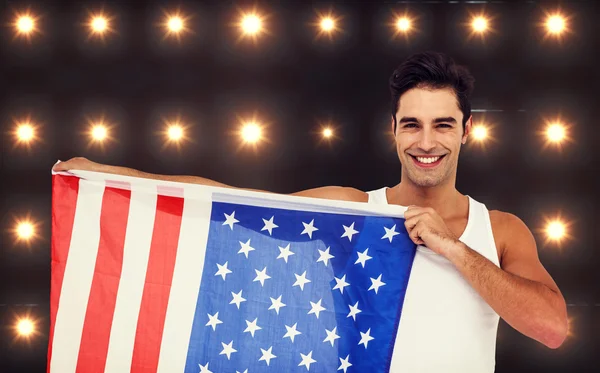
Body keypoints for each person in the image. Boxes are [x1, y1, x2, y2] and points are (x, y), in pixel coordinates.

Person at [53, 51, 568, 372]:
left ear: (465, 130)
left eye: (442, 125)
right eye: (411, 125)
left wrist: (452, 247)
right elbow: (227, 199)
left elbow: (551, 328)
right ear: (393, 130)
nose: (426, 141)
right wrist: (110, 177)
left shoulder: (499, 229)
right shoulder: (353, 210)